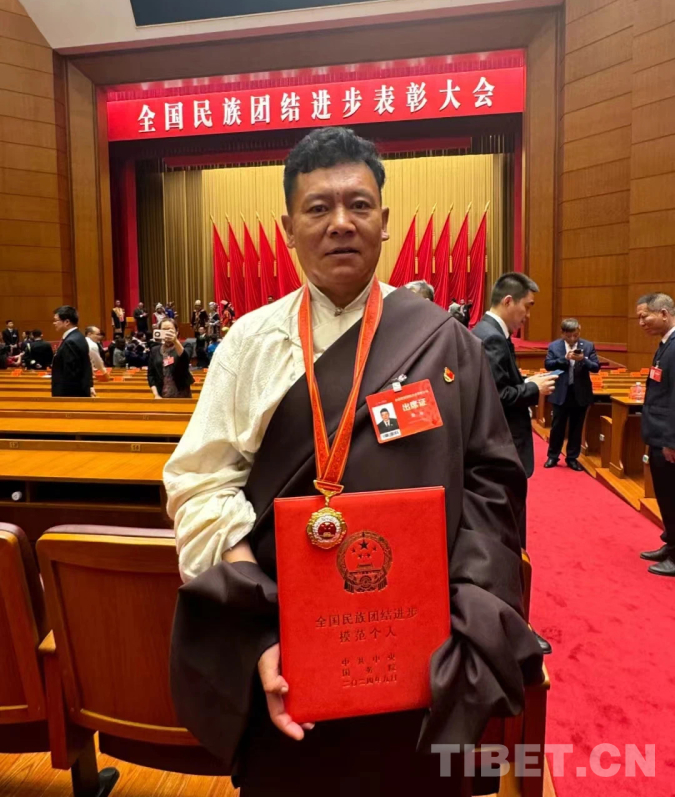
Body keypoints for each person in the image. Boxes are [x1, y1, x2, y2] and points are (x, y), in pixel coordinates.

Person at [165, 127, 541, 796]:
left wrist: (466, 618)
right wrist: (257, 625)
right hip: (287, 644)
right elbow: (200, 483)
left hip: (426, 647)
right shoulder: (249, 344)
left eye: (358, 205)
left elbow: (492, 486)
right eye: (318, 207)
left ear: (384, 220)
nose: (340, 222)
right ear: (288, 228)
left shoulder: (445, 343)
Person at [472, 272, 557, 654]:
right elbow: (497, 396)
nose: (528, 314)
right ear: (509, 301)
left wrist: (525, 381)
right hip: (501, 451)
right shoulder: (490, 336)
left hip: (500, 449)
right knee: (509, 541)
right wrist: (532, 388)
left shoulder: (491, 333)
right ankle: (513, 624)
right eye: (527, 305)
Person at [636, 293, 675, 577]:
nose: (641, 322)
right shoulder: (665, 345)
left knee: (672, 496)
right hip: (659, 434)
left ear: (663, 313)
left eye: (644, 316)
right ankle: (671, 543)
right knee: (665, 495)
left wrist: (672, 441)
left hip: (668, 439)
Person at [544, 319, 600, 471]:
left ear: (579, 331)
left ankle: (572, 458)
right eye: (569, 336)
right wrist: (564, 359)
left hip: (580, 393)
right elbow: (548, 365)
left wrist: (584, 360)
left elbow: (596, 367)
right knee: (557, 427)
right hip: (560, 392)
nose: (572, 339)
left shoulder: (588, 346)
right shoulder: (554, 346)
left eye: (575, 335)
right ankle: (553, 456)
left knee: (576, 427)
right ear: (562, 333)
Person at [147, 317, 194, 399]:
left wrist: (175, 341)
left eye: (170, 330)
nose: (167, 332)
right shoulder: (154, 350)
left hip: (182, 395)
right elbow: (151, 375)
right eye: (164, 330)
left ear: (177, 331)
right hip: (161, 395)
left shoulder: (186, 346)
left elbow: (185, 360)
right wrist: (156, 395)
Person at [51, 306, 93, 398]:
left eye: (56, 320)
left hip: (69, 394)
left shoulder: (71, 341)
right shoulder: (77, 336)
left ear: (67, 322)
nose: (54, 323)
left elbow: (71, 374)